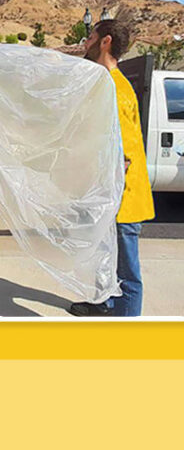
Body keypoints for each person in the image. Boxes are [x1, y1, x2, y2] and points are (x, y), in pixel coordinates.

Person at [70, 19, 155, 317]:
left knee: (127, 272)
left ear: (105, 41)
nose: (86, 42)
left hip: (123, 199)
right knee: (105, 258)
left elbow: (124, 155)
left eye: (90, 37)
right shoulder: (108, 83)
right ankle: (102, 304)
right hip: (112, 196)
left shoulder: (114, 88)